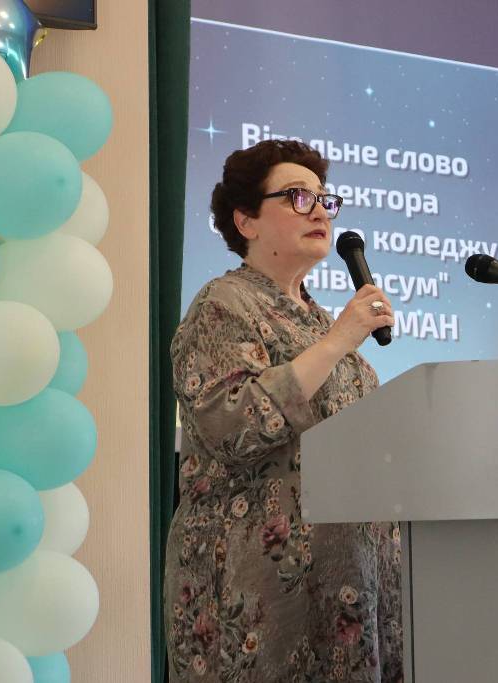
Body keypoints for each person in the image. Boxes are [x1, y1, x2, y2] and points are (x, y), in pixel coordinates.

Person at [164, 140, 403, 682]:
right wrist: (340, 339)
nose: (320, 211)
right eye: (297, 197)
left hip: (347, 584)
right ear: (245, 220)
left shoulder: (320, 322)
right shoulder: (224, 304)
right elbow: (232, 425)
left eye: (324, 199)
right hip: (259, 593)